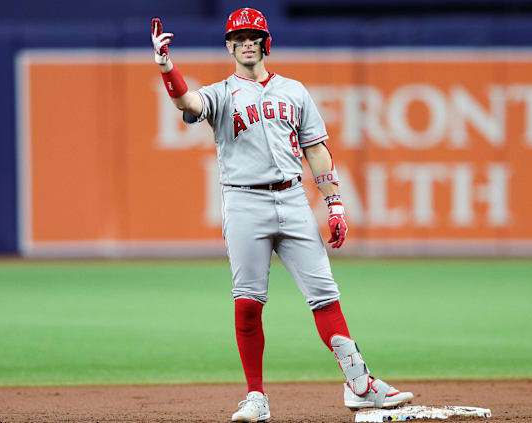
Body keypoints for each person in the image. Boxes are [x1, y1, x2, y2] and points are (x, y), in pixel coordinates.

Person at [151, 8, 414, 422]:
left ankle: (360, 385)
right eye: (238, 37)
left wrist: (334, 202)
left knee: (326, 296)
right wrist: (167, 69)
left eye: (254, 36)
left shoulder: (293, 91)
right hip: (243, 202)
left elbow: (316, 150)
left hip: (292, 199)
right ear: (229, 46)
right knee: (248, 303)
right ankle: (256, 396)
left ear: (265, 42)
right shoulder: (221, 93)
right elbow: (188, 101)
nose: (247, 43)